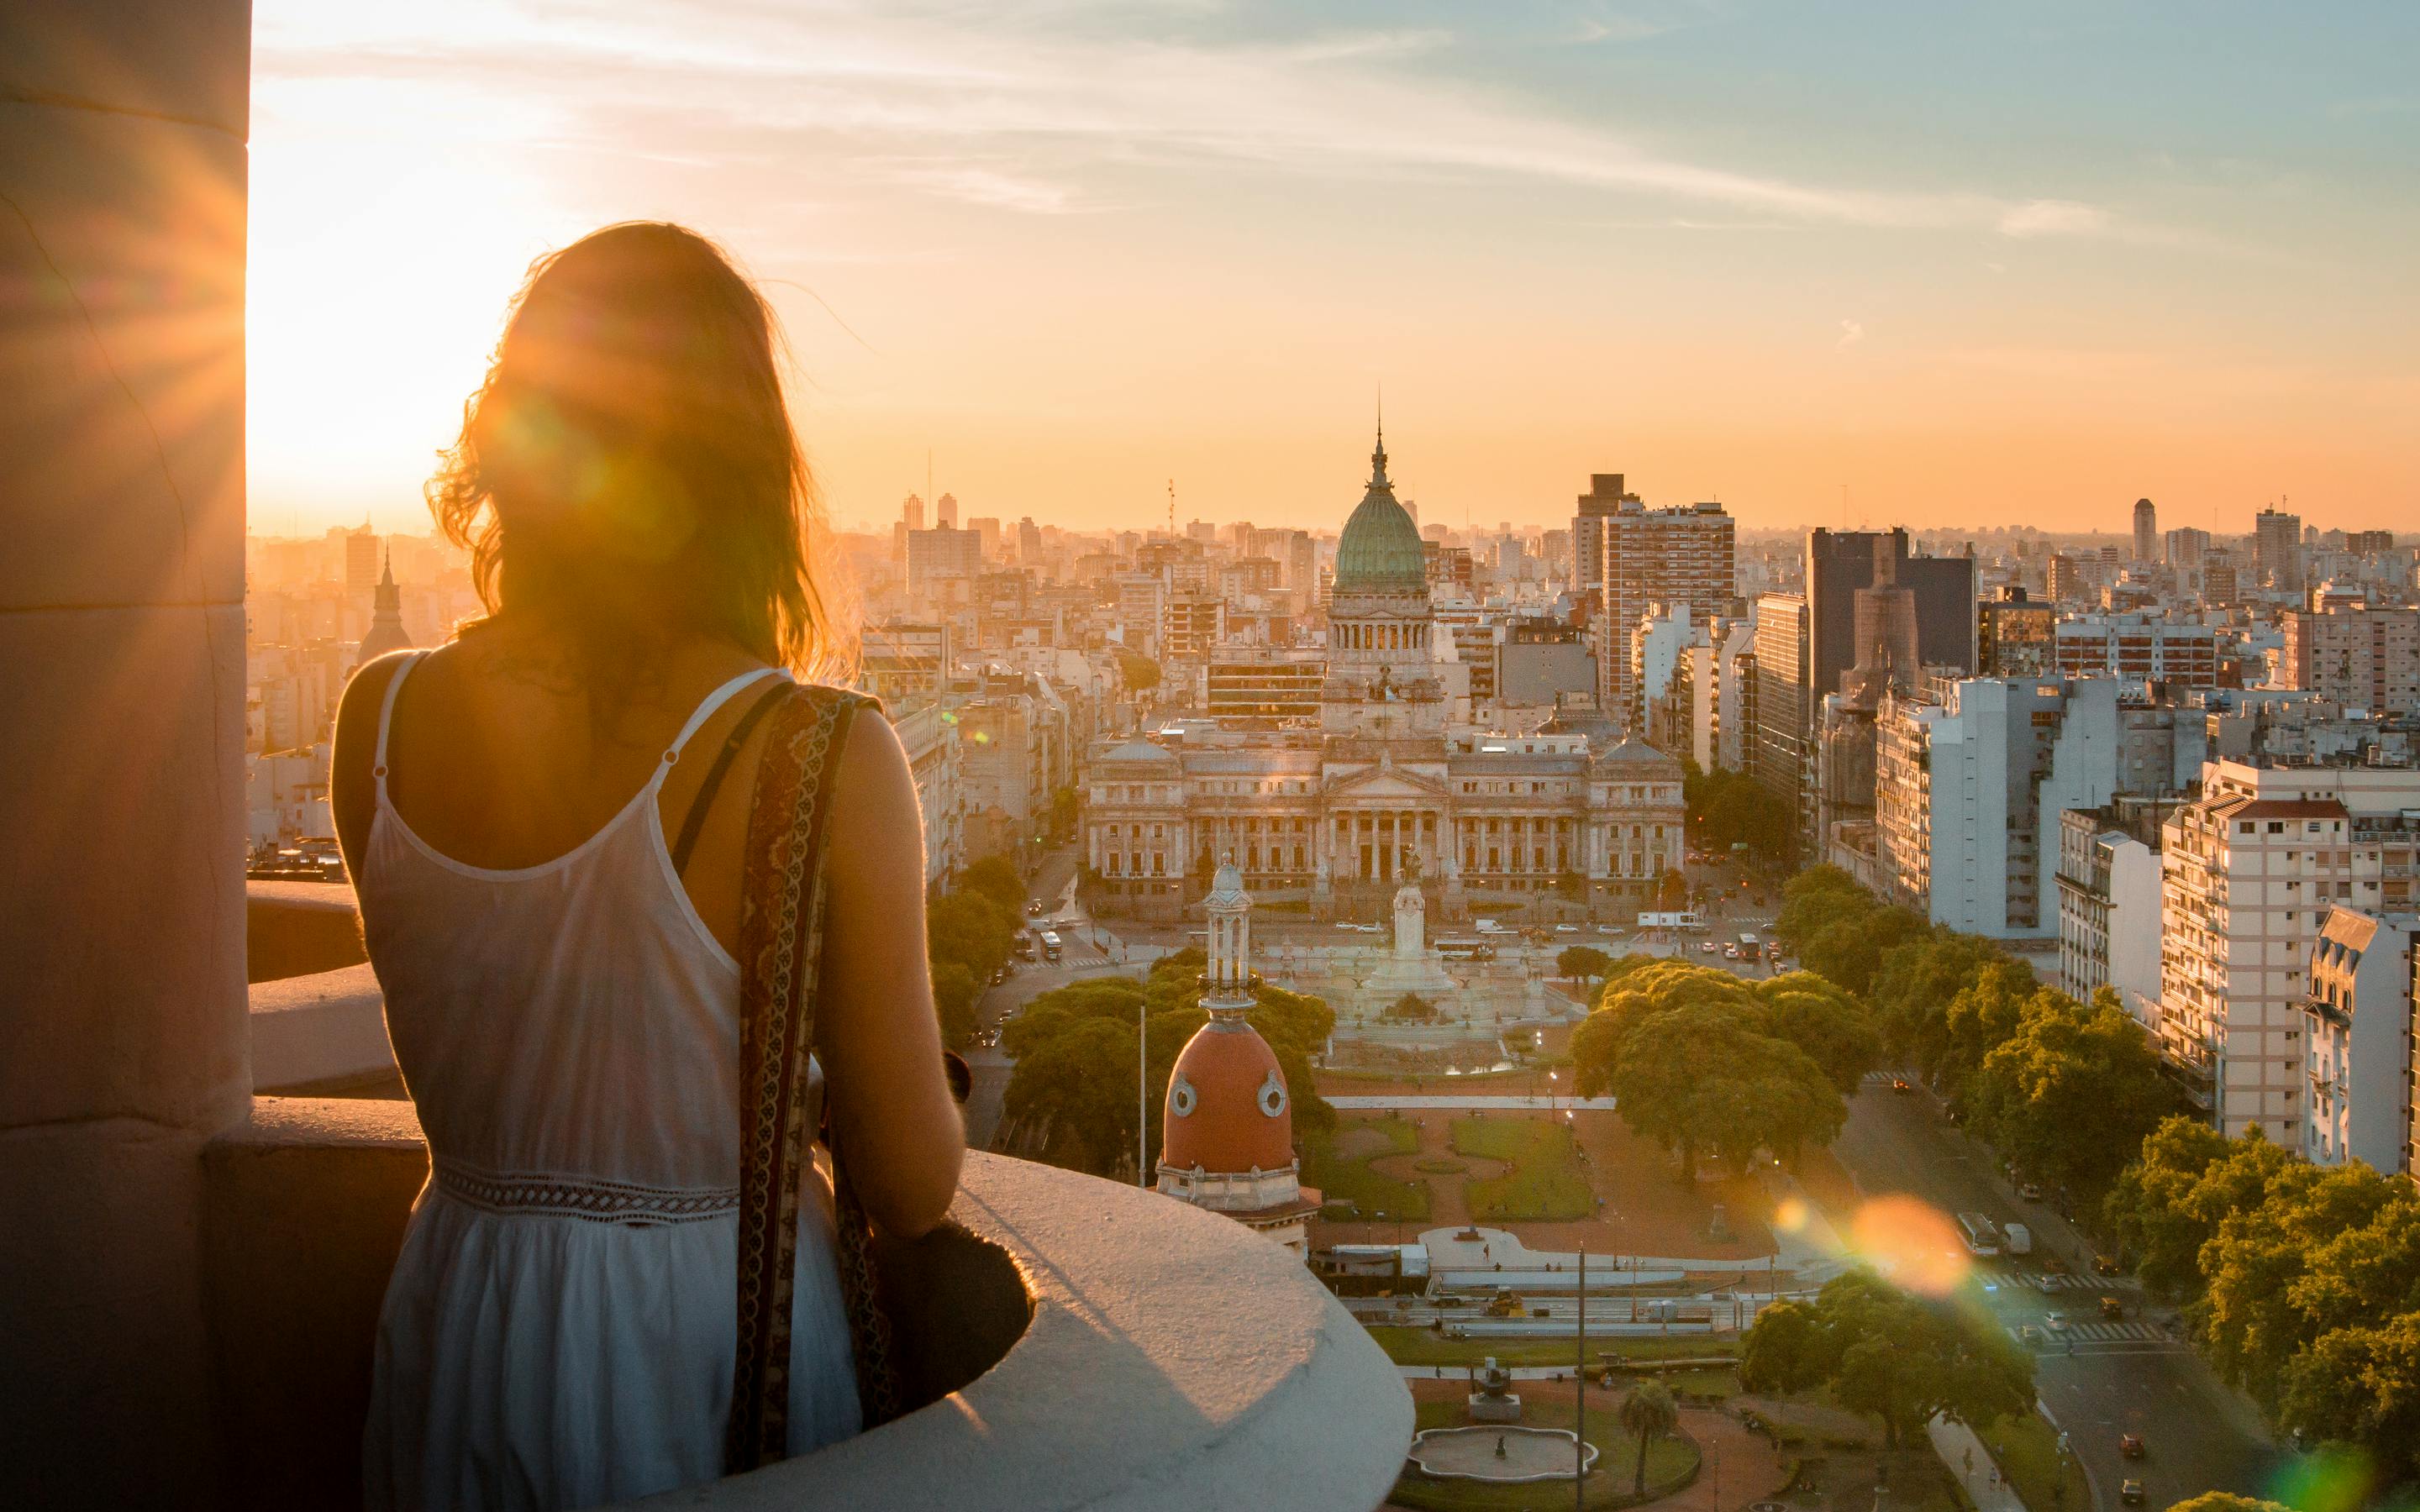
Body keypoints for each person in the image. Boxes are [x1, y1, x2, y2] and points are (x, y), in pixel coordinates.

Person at [335, 223, 965, 1511]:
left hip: (461, 1314)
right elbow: (910, 1183)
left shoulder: (376, 722)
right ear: (740, 470)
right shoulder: (818, 754)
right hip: (711, 1347)